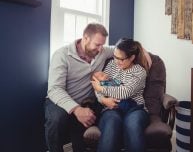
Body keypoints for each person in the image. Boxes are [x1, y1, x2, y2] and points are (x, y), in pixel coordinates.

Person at [44, 23, 118, 152]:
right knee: (56, 119)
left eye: (102, 45)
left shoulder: (102, 51)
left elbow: (120, 48)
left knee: (106, 114)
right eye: (97, 44)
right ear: (85, 38)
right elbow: (54, 89)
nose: (101, 49)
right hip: (60, 100)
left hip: (86, 101)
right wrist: (77, 110)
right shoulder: (62, 55)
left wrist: (142, 51)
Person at [90, 38, 150, 152]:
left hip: (135, 109)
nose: (117, 61)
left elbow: (125, 92)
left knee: (132, 124)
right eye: (115, 57)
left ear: (132, 57)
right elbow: (97, 86)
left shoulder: (140, 72)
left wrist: (102, 88)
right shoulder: (112, 65)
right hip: (111, 108)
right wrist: (103, 100)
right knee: (112, 123)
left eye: (121, 59)